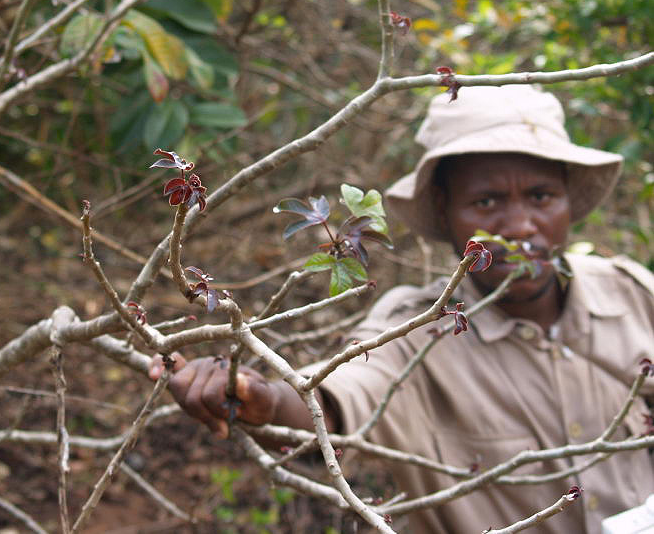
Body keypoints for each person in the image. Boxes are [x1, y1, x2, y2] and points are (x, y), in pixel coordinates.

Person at [149, 84, 654, 533]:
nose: (520, 226)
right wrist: (254, 395)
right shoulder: (419, 329)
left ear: (568, 199)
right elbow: (337, 397)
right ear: (444, 212)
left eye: (542, 196)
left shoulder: (631, 293)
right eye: (486, 203)